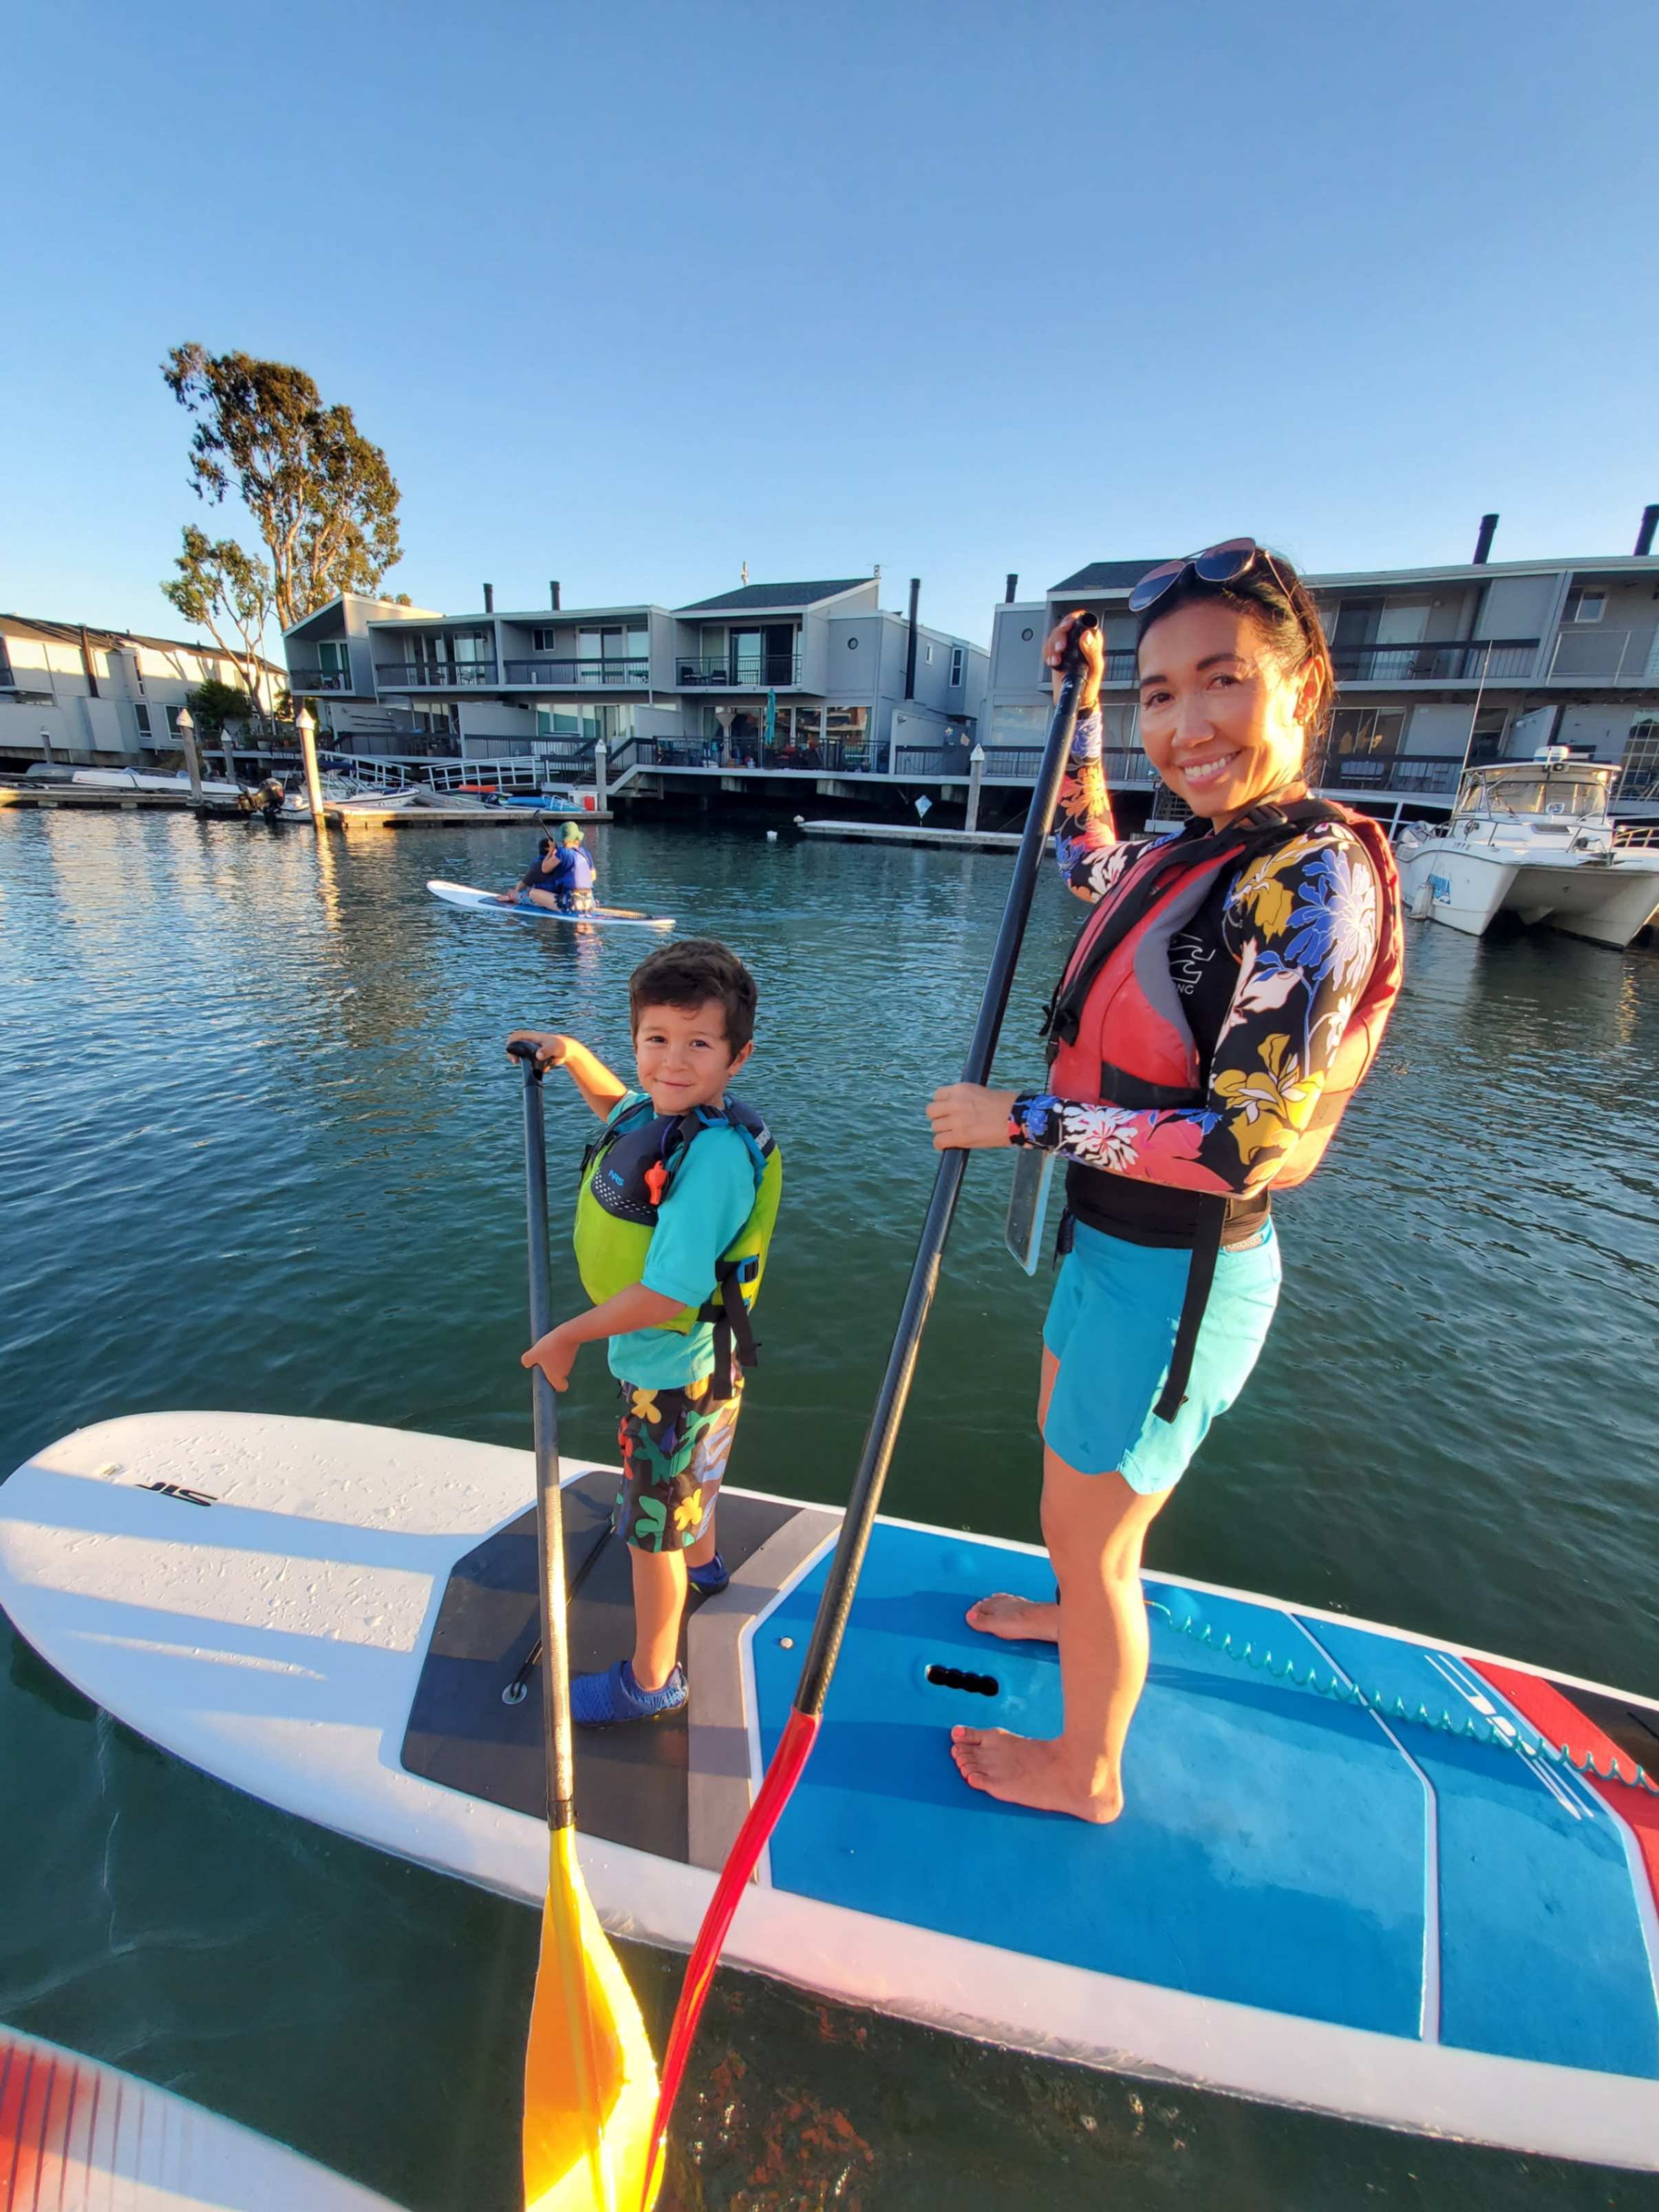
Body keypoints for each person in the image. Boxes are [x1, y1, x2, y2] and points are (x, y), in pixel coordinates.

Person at [926, 540, 1402, 1824]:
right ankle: (1068, 1594)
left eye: (1224, 682)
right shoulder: (1191, 851)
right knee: (1064, 1497)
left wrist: (1020, 1118)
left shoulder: (1309, 880)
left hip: (1182, 1281)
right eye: (1155, 694)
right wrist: (1080, 713)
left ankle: (1088, 1771)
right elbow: (1091, 852)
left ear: (1305, 688)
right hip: (1107, 1251)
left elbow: (1245, 1145)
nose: (1184, 725)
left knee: (1098, 1542)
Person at [511, 940, 782, 1725]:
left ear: (738, 1056)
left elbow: (668, 1292)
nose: (672, 1061)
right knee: (687, 1480)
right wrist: (570, 1055)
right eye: (655, 1039)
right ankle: (705, 1564)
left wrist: (568, 1334)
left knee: (649, 1534)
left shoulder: (716, 1158)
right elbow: (615, 1103)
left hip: (678, 1367)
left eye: (699, 1043)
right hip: (685, 1364)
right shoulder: (656, 1110)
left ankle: (650, 1678)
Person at [499, 835, 561, 908]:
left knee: (515, 893)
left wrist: (513, 894)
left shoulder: (537, 865)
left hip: (542, 900)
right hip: (559, 897)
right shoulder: (562, 861)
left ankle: (511, 897)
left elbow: (523, 884)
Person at [550, 820, 597, 913]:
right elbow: (593, 876)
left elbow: (545, 868)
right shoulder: (585, 852)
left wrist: (552, 850)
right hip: (589, 898)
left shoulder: (562, 853)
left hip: (571, 900)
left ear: (563, 840)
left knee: (534, 893)